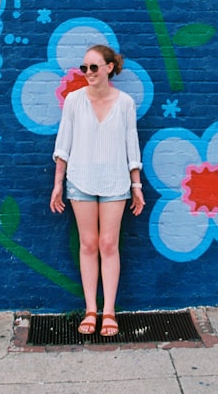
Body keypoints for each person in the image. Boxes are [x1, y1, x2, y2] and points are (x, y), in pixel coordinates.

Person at [50, 44, 145, 337]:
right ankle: (91, 308)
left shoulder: (125, 102)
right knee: (88, 244)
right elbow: (63, 145)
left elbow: (132, 146)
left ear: (109, 68)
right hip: (80, 180)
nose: (88, 73)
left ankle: (109, 311)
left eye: (93, 67)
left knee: (109, 244)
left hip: (116, 182)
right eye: (84, 68)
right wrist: (57, 184)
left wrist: (136, 185)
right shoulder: (74, 101)